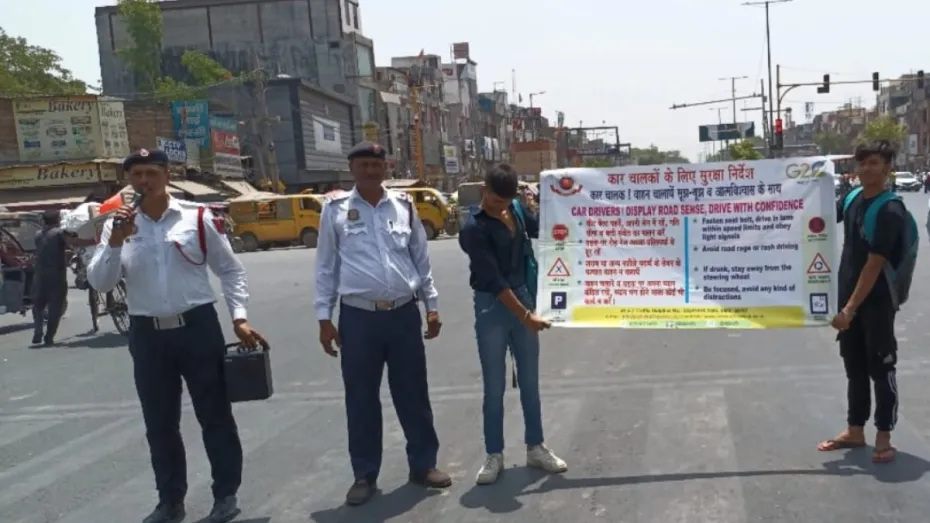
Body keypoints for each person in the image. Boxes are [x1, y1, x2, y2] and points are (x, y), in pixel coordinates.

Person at [87, 148, 266, 523]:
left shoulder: (196, 217)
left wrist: (239, 318)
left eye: (151, 173)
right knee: (159, 423)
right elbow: (101, 282)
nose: (144, 181)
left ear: (167, 175)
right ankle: (170, 501)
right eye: (136, 175)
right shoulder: (116, 225)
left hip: (197, 328)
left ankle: (225, 495)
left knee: (214, 415)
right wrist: (116, 241)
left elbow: (230, 270)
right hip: (147, 335)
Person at [314, 141, 450, 506]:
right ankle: (364, 474)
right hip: (358, 318)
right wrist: (324, 317)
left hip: (403, 314)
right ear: (352, 169)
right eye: (363, 165)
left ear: (385, 167)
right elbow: (326, 267)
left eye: (376, 164)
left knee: (413, 394)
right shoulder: (335, 210)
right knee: (361, 399)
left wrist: (431, 306)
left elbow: (421, 258)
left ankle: (423, 465)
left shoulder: (404, 206)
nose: (371, 171)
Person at [458, 164, 567, 485]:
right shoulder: (473, 228)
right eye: (495, 200)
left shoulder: (516, 210)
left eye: (505, 202)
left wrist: (565, 201)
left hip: (523, 298)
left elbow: (544, 229)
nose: (500, 207)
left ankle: (536, 447)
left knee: (530, 382)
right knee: (494, 387)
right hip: (492, 305)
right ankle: (494, 454)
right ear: (484, 190)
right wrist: (525, 315)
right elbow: (493, 279)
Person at [818, 140, 904, 464]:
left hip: (877, 301)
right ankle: (855, 429)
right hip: (848, 298)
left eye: (874, 163)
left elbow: (874, 264)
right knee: (853, 366)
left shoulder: (891, 210)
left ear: (887, 168)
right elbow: (821, 218)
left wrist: (849, 309)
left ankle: (884, 435)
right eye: (862, 163)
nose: (866, 169)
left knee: (881, 368)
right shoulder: (852, 198)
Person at [31, 209, 93, 346]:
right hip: (56, 274)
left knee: (38, 304)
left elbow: (47, 249)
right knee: (56, 306)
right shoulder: (59, 233)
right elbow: (75, 242)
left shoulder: (37, 235)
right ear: (58, 220)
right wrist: (93, 240)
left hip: (39, 274)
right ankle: (49, 337)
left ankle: (38, 330)